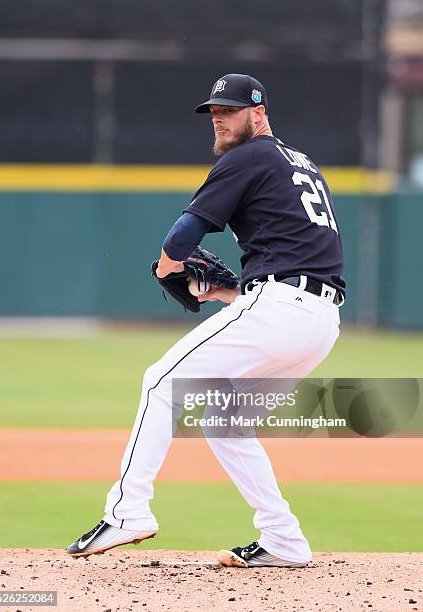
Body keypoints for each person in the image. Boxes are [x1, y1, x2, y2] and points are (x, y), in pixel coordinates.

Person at [67, 73, 345, 568]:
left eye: (230, 110)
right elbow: (298, 253)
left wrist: (169, 266)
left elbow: (183, 234)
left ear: (258, 113)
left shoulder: (248, 156)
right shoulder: (299, 162)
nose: (218, 117)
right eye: (214, 111)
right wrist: (230, 292)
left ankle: (128, 510)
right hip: (318, 319)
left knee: (160, 384)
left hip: (284, 308)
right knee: (226, 422)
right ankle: (283, 538)